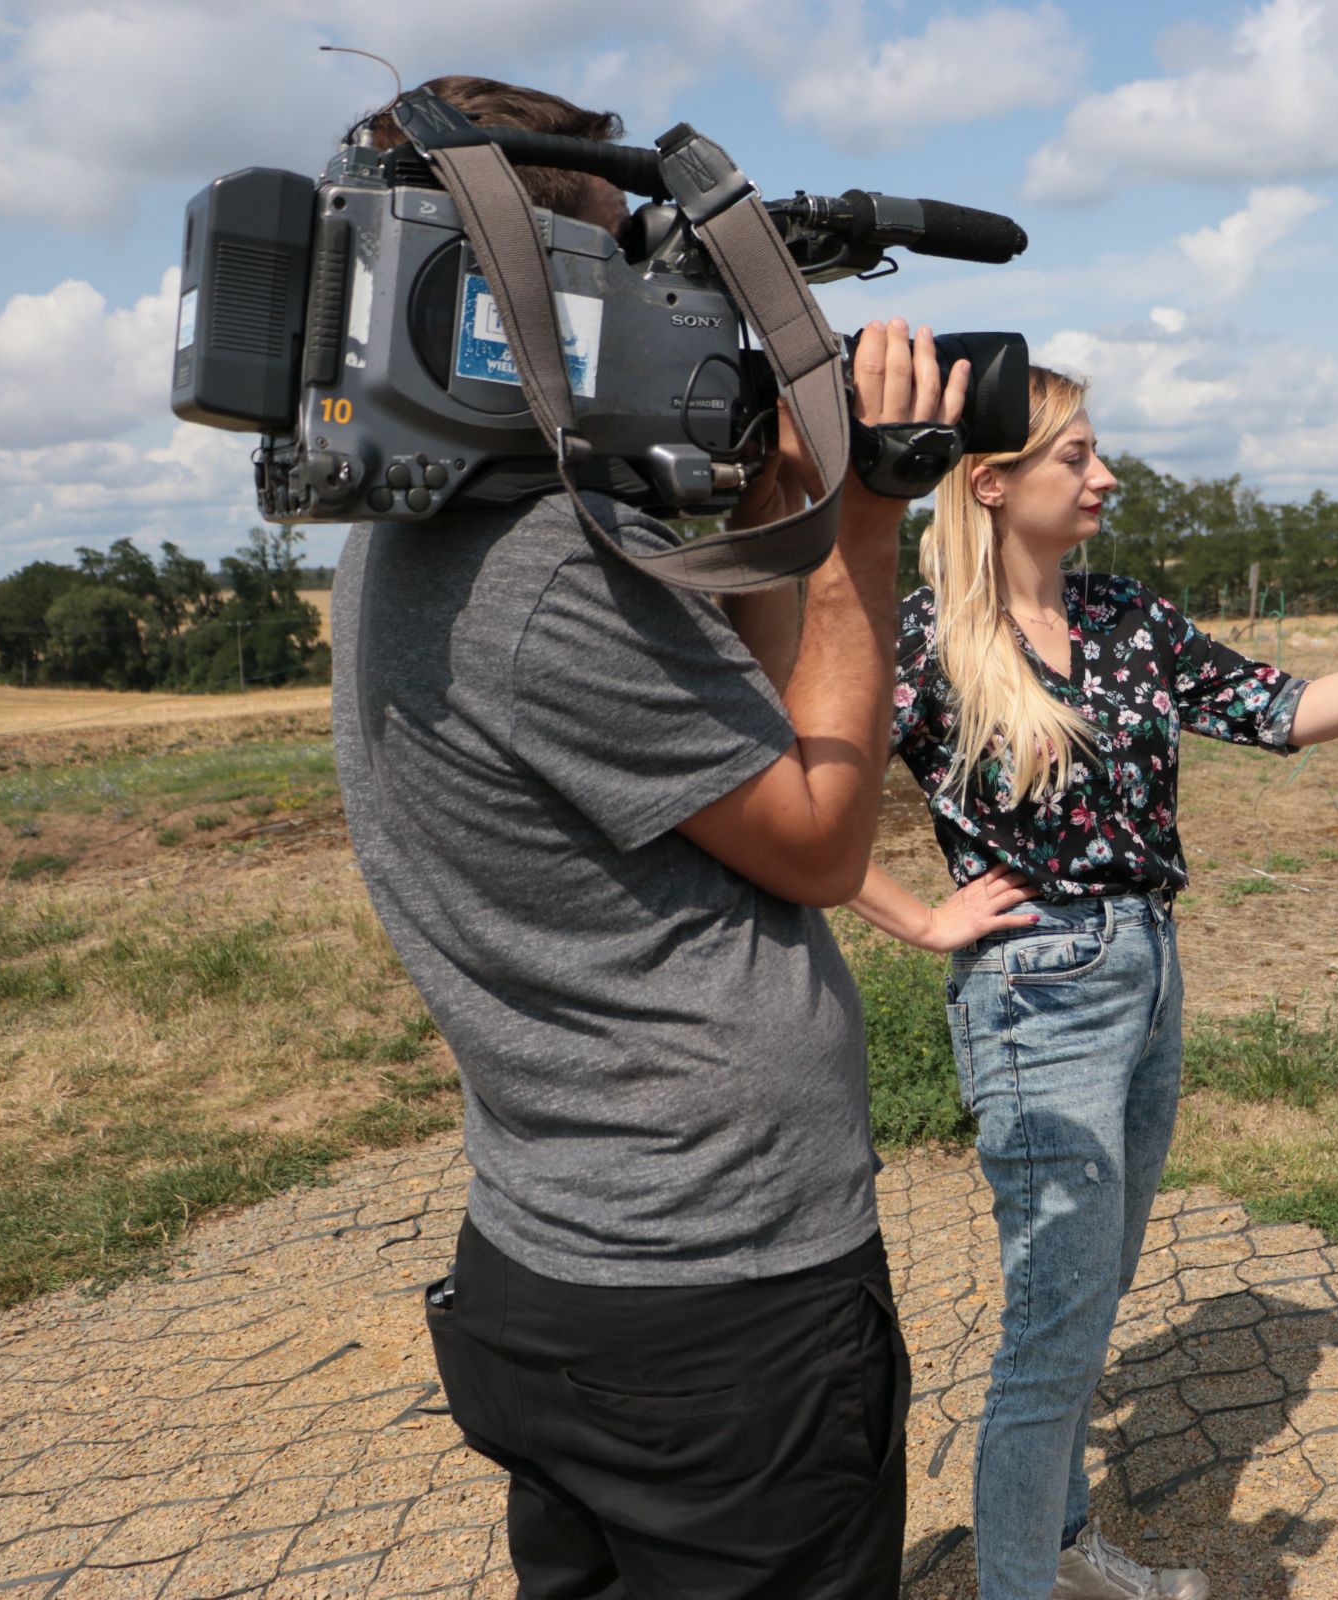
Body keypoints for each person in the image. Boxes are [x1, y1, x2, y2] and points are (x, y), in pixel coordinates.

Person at [332, 76, 966, 1599]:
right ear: (533, 298)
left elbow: (730, 733)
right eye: (630, 272)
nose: (665, 318)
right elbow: (816, 839)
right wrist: (868, 531)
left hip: (563, 1259)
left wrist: (776, 502)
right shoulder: (545, 572)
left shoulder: (421, 531)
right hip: (714, 1306)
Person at [843, 365, 1338, 1600]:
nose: (1106, 476)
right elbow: (805, 795)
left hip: (1149, 969)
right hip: (1037, 994)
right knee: (1051, 1336)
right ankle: (1019, 1585)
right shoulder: (925, 635)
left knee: (1089, 1298)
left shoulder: (1124, 618)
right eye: (1077, 457)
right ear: (989, 484)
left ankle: (1056, 1555)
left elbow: (1283, 707)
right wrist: (920, 918)